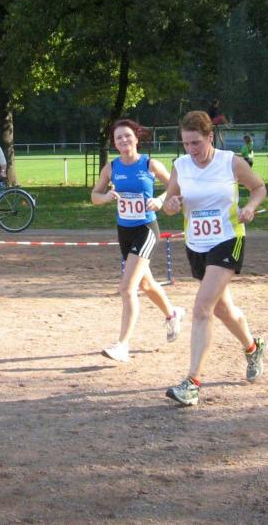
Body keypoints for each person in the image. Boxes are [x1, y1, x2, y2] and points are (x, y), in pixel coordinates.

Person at [162, 110, 268, 406]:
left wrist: (250, 207)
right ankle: (253, 346)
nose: (191, 149)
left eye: (196, 142)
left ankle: (192, 383)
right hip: (197, 244)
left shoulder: (231, 162)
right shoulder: (180, 166)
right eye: (185, 143)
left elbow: (259, 187)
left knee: (201, 308)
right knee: (222, 309)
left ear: (210, 137)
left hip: (228, 239)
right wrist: (171, 204)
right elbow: (168, 204)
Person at [91, 119, 186, 363]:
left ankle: (122, 345)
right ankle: (173, 314)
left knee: (127, 287)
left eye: (127, 135)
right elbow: (94, 196)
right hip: (125, 230)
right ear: (114, 143)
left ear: (136, 137)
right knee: (145, 284)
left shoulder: (150, 164)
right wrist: (106, 196)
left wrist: (160, 200)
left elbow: (176, 188)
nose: (123, 140)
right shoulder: (111, 168)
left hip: (146, 229)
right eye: (118, 137)